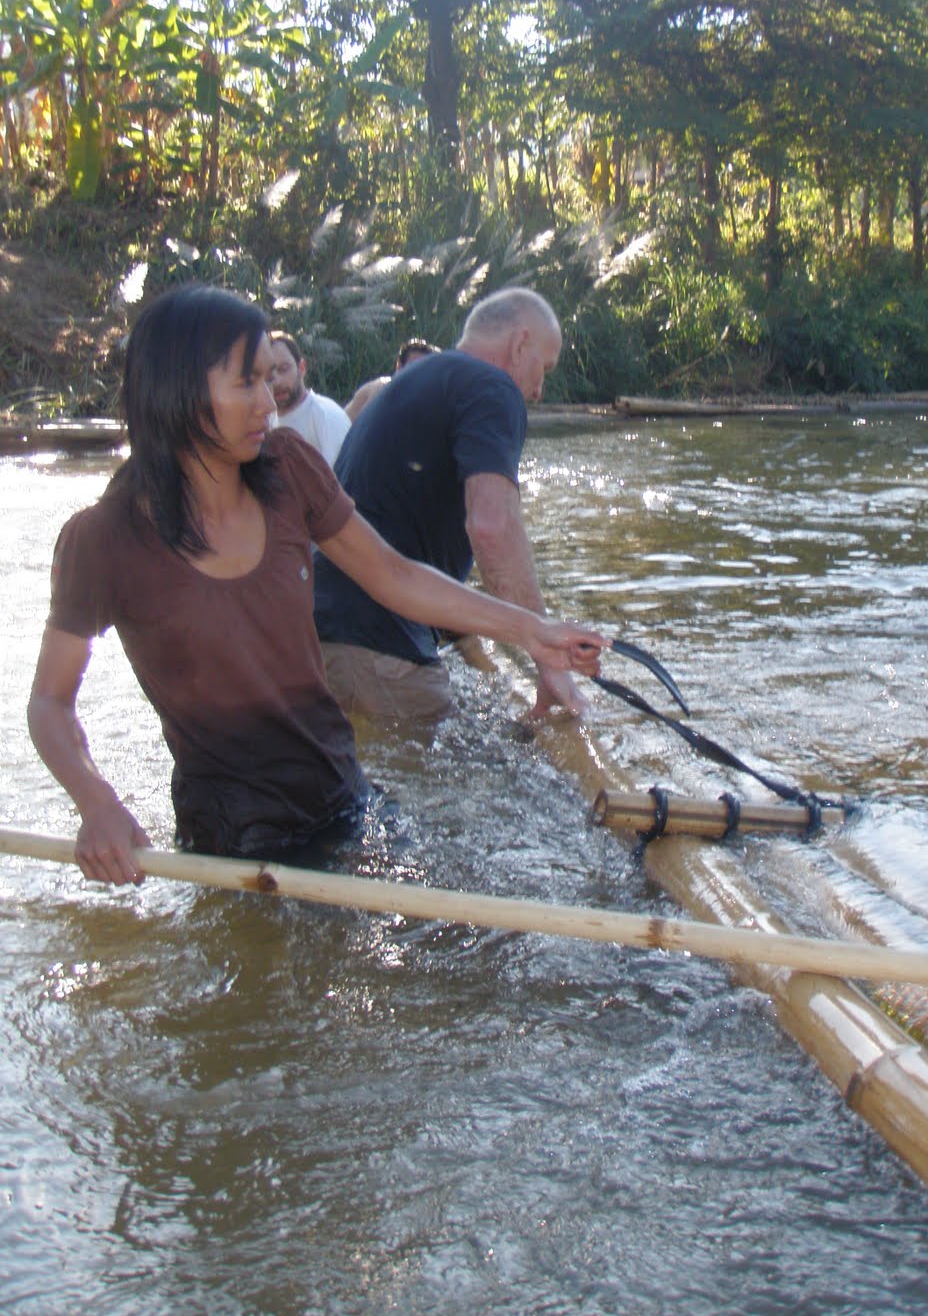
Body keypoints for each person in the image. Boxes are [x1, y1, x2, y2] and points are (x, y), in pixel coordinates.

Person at [26, 285, 606, 886]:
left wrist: (533, 631)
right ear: (179, 390)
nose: (268, 404)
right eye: (245, 383)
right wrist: (98, 804)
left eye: (266, 380)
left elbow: (393, 573)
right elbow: (49, 702)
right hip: (234, 838)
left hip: (344, 796)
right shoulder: (103, 539)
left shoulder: (285, 469)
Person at [315, 288, 579, 723]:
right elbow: (492, 527)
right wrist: (550, 659)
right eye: (543, 368)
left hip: (314, 636)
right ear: (519, 344)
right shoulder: (492, 387)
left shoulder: (405, 384)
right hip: (380, 648)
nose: (538, 390)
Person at [267, 331, 351, 464]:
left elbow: (340, 479)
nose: (277, 382)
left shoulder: (326, 416)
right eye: (269, 376)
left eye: (283, 369)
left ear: (301, 368)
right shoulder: (264, 421)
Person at [345, 338, 438, 422]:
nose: (417, 375)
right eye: (413, 368)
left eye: (423, 370)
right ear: (399, 366)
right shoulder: (383, 388)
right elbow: (366, 426)